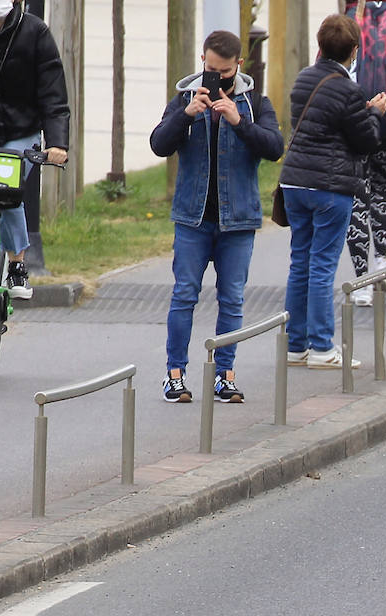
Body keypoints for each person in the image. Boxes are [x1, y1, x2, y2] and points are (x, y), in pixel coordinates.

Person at [149, 30, 283, 404]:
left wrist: (240, 122)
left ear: (238, 65)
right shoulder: (185, 98)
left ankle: (225, 375)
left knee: (233, 299)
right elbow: (159, 144)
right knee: (184, 295)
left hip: (237, 219)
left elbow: (275, 148)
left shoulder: (255, 102)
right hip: (193, 218)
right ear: (202, 61)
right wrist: (187, 116)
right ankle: (174, 374)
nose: (216, 78)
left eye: (224, 72)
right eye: (210, 69)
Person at [280, 15, 385, 369]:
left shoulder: (302, 80)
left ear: (320, 45)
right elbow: (366, 141)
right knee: (323, 266)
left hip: (295, 182)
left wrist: (361, 112)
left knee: (301, 263)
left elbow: (316, 125)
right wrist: (375, 114)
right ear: (354, 51)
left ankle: (296, 346)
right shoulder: (349, 90)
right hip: (329, 186)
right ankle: (323, 347)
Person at [0, 0, 69, 304]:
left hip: (19, 136)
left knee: (7, 193)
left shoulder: (35, 33)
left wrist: (57, 143)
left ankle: (17, 265)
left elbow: (53, 95)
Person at [342, 0, 386, 308]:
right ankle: (382, 263)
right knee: (382, 188)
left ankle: (361, 282)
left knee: (358, 195)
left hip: (355, 120)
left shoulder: (343, 25)